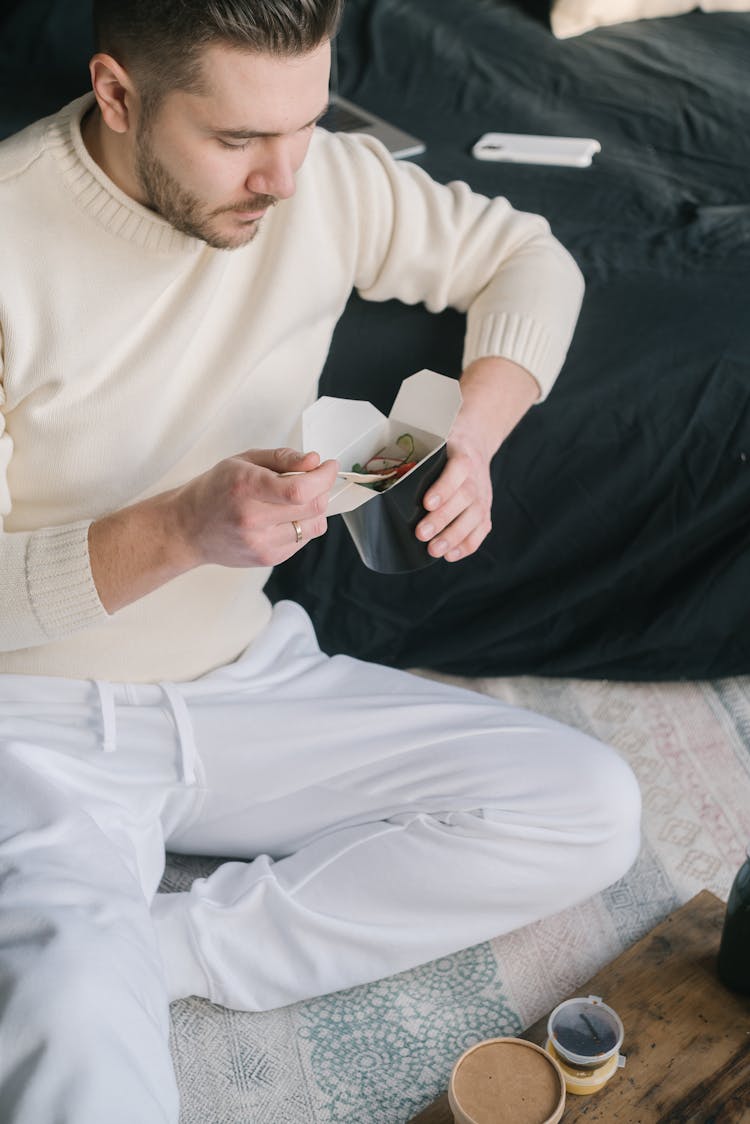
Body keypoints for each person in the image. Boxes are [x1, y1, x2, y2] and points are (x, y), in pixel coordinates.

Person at [0, 1, 641, 1120]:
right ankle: (80, 965)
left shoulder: (327, 179)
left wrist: (475, 437)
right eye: (239, 140)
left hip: (249, 677)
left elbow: (528, 259)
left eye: (303, 125)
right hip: (34, 718)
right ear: (116, 94)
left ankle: (160, 945)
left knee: (589, 804)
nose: (285, 180)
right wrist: (178, 530)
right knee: (74, 1050)